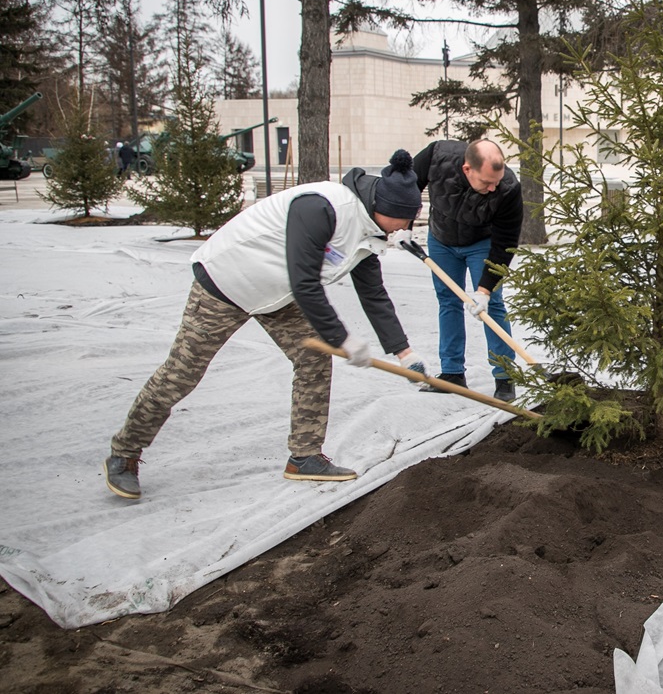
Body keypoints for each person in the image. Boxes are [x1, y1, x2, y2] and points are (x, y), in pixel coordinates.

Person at [103, 150, 428, 500]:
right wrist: (342, 339)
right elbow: (305, 282)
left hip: (277, 294)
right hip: (226, 283)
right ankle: (124, 453)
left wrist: (403, 353)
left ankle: (304, 457)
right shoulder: (323, 207)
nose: (405, 229)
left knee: (313, 360)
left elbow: (373, 294)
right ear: (384, 209)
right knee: (181, 373)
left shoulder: (370, 231)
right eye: (404, 220)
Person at [412, 138, 523, 401]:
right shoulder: (437, 156)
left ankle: (505, 376)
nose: (493, 186)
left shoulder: (507, 188)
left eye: (496, 180)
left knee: (492, 304)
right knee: (448, 301)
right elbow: (406, 186)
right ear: (467, 170)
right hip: (441, 238)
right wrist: (403, 223)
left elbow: (505, 241)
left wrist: (484, 289)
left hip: (482, 242)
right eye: (486, 182)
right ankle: (452, 374)